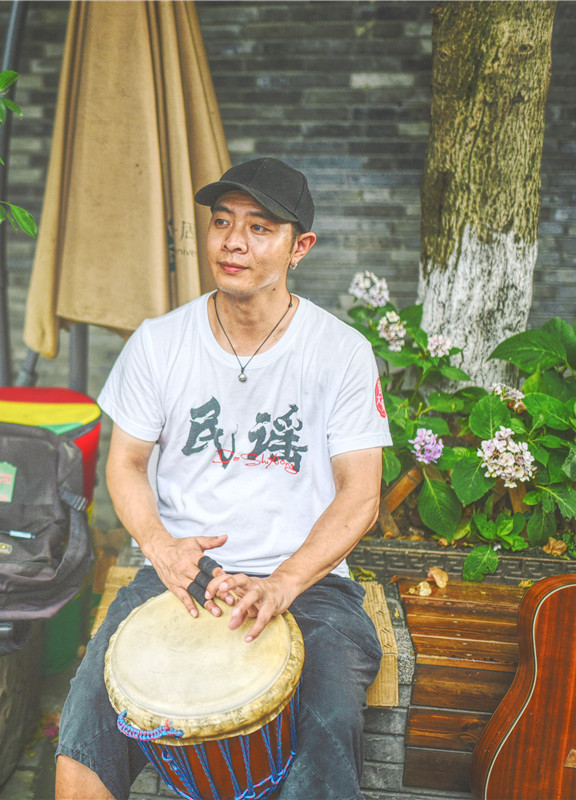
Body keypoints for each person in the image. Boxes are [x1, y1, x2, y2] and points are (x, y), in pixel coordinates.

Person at [54, 158, 391, 800]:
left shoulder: (340, 352)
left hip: (308, 583)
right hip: (180, 574)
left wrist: (284, 582)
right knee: (87, 717)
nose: (234, 241)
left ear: (300, 248)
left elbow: (361, 495)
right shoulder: (159, 343)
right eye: (222, 222)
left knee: (328, 721)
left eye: (260, 227)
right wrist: (160, 546)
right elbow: (122, 463)